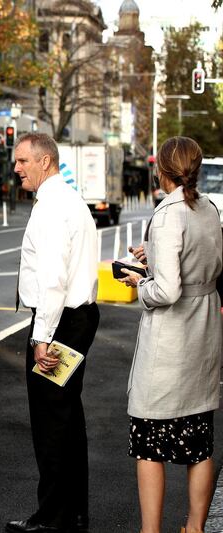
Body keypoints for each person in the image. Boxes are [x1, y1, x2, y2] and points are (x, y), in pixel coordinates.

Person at [117, 136, 222, 533]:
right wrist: (156, 255)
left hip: (171, 343)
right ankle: (195, 528)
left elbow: (167, 290)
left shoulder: (167, 213)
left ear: (161, 169)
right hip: (204, 333)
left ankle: (151, 531)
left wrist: (139, 283)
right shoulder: (207, 207)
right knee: (199, 443)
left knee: (149, 441)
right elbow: (204, 263)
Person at [6, 133, 99, 533]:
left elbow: (54, 280)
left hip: (60, 324)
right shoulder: (68, 201)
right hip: (74, 320)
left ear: (45, 161)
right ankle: (74, 511)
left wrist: (41, 336)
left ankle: (52, 517)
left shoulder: (53, 208)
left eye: (23, 160)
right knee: (68, 418)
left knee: (51, 423)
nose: (16, 168)